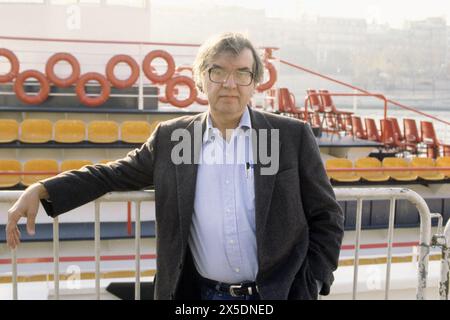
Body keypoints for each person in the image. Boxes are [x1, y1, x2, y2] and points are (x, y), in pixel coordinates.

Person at [6, 32, 344, 300]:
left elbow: (326, 216)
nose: (230, 83)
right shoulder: (174, 138)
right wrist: (44, 188)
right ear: (200, 79)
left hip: (279, 293)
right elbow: (114, 173)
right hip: (199, 296)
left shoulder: (289, 136)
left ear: (254, 82)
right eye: (218, 71)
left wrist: (314, 280)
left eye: (242, 73)